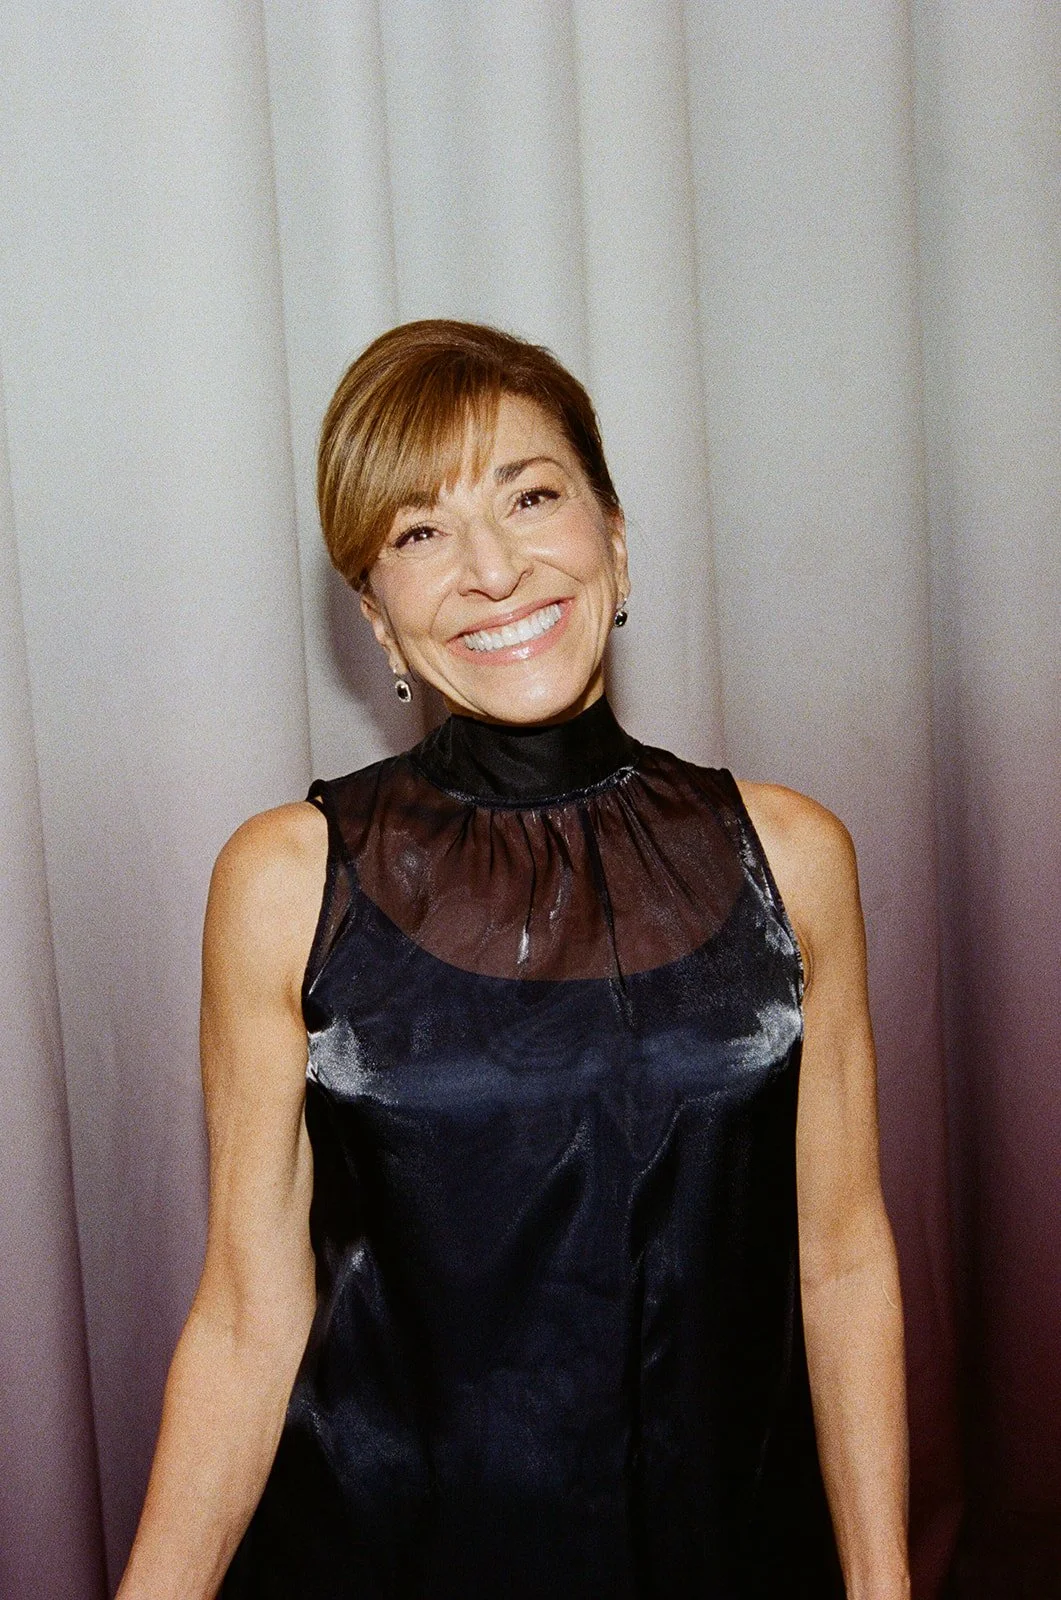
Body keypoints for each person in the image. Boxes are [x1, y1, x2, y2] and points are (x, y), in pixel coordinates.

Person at [117, 319, 910, 1598]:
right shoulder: (282, 879)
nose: (491, 568)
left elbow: (841, 1255)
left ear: (613, 534)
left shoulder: (793, 853)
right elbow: (244, 1315)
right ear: (376, 616)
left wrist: (880, 1584)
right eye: (419, 532)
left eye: (530, 496)